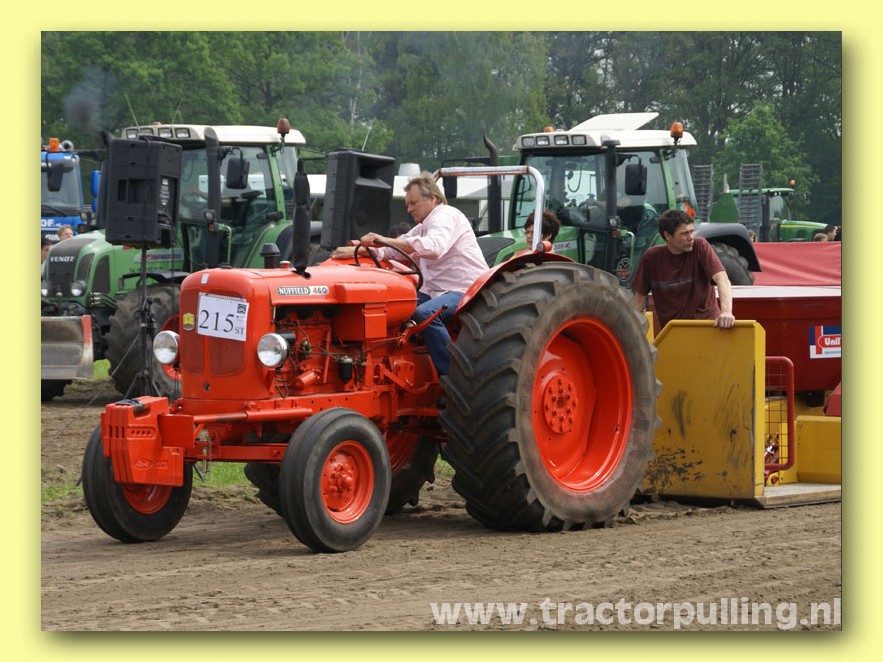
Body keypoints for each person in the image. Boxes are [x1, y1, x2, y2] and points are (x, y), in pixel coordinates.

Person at [331, 172, 488, 376]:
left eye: (413, 203)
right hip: (436, 291)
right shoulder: (422, 227)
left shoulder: (446, 216)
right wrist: (356, 251)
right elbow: (394, 250)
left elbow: (434, 247)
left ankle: (453, 376)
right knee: (394, 304)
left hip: (465, 291)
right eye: (407, 204)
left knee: (425, 314)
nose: (409, 209)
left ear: (433, 198)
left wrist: (381, 239)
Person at [631, 209, 734, 335]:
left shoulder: (700, 247)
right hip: (673, 334)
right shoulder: (652, 258)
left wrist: (726, 312)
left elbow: (722, 279)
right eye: (684, 233)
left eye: (692, 231)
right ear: (668, 236)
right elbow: (638, 301)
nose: (691, 237)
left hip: (708, 330)